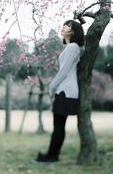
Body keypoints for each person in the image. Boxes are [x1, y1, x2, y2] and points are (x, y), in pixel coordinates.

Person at [35, 19, 85, 163]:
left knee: (58, 127)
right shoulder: (70, 47)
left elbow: (64, 72)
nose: (63, 27)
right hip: (65, 91)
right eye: (63, 25)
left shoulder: (73, 47)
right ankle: (52, 155)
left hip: (66, 92)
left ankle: (51, 156)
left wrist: (52, 86)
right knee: (58, 126)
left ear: (74, 31)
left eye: (67, 26)